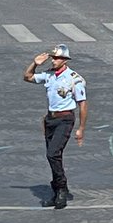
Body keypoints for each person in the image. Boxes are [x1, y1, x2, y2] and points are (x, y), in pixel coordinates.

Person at [23, 45, 87, 209]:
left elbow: (82, 105)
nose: (53, 60)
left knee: (53, 154)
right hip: (50, 119)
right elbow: (27, 77)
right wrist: (35, 63)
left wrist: (81, 128)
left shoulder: (74, 79)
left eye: (57, 58)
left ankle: (61, 189)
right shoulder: (49, 75)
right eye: (52, 58)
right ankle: (58, 189)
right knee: (51, 155)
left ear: (65, 60)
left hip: (65, 119)